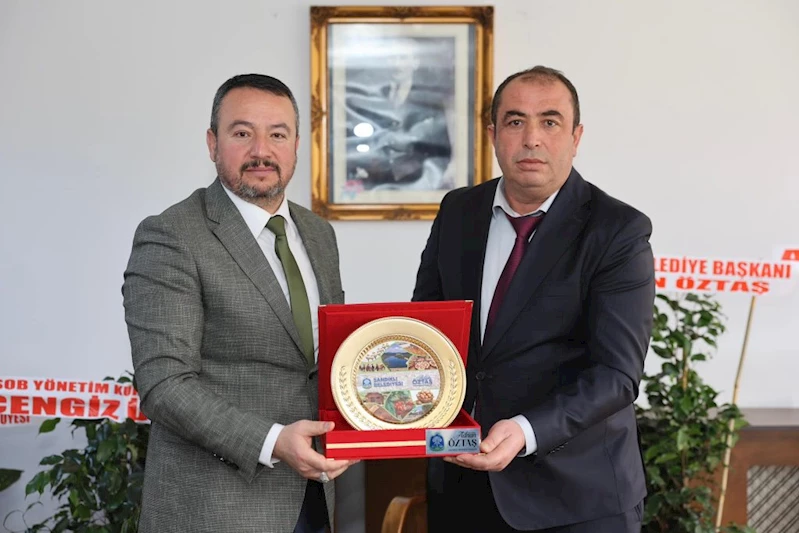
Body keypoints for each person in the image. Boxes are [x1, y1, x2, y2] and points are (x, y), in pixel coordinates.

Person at [412, 66, 655, 532]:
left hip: (577, 498)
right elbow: (428, 331)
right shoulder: (459, 211)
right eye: (515, 121)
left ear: (576, 137)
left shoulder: (617, 231)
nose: (532, 139)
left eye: (550, 122)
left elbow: (617, 375)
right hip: (463, 484)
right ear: (493, 134)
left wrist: (525, 430)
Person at [122, 74, 356, 533]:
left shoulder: (318, 234)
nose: (261, 151)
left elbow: (322, 362)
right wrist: (273, 441)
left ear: (296, 146)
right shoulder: (171, 236)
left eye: (278, 135)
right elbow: (164, 384)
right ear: (213, 143)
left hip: (316, 497)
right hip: (215, 507)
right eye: (242, 133)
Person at [344, 37, 457, 192]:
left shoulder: (429, 100)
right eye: (392, 58)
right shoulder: (371, 95)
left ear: (415, 62)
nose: (396, 64)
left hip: (417, 181)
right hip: (376, 180)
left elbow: (439, 148)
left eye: (403, 58)